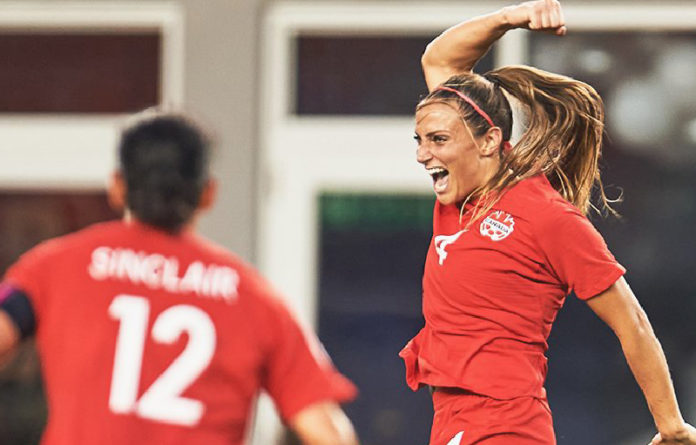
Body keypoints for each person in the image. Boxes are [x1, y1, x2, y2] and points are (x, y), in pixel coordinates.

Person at [398, 1, 696, 444]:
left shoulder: (547, 216)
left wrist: (670, 425)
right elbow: (438, 59)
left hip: (506, 427)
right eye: (420, 140)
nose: (424, 153)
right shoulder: (460, 194)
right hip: (450, 420)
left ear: (490, 141)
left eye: (438, 140)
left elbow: (630, 320)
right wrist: (508, 18)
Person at [0, 110, 359, 445]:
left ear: (117, 186)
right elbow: (326, 430)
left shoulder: (55, 265)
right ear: (207, 194)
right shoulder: (256, 299)